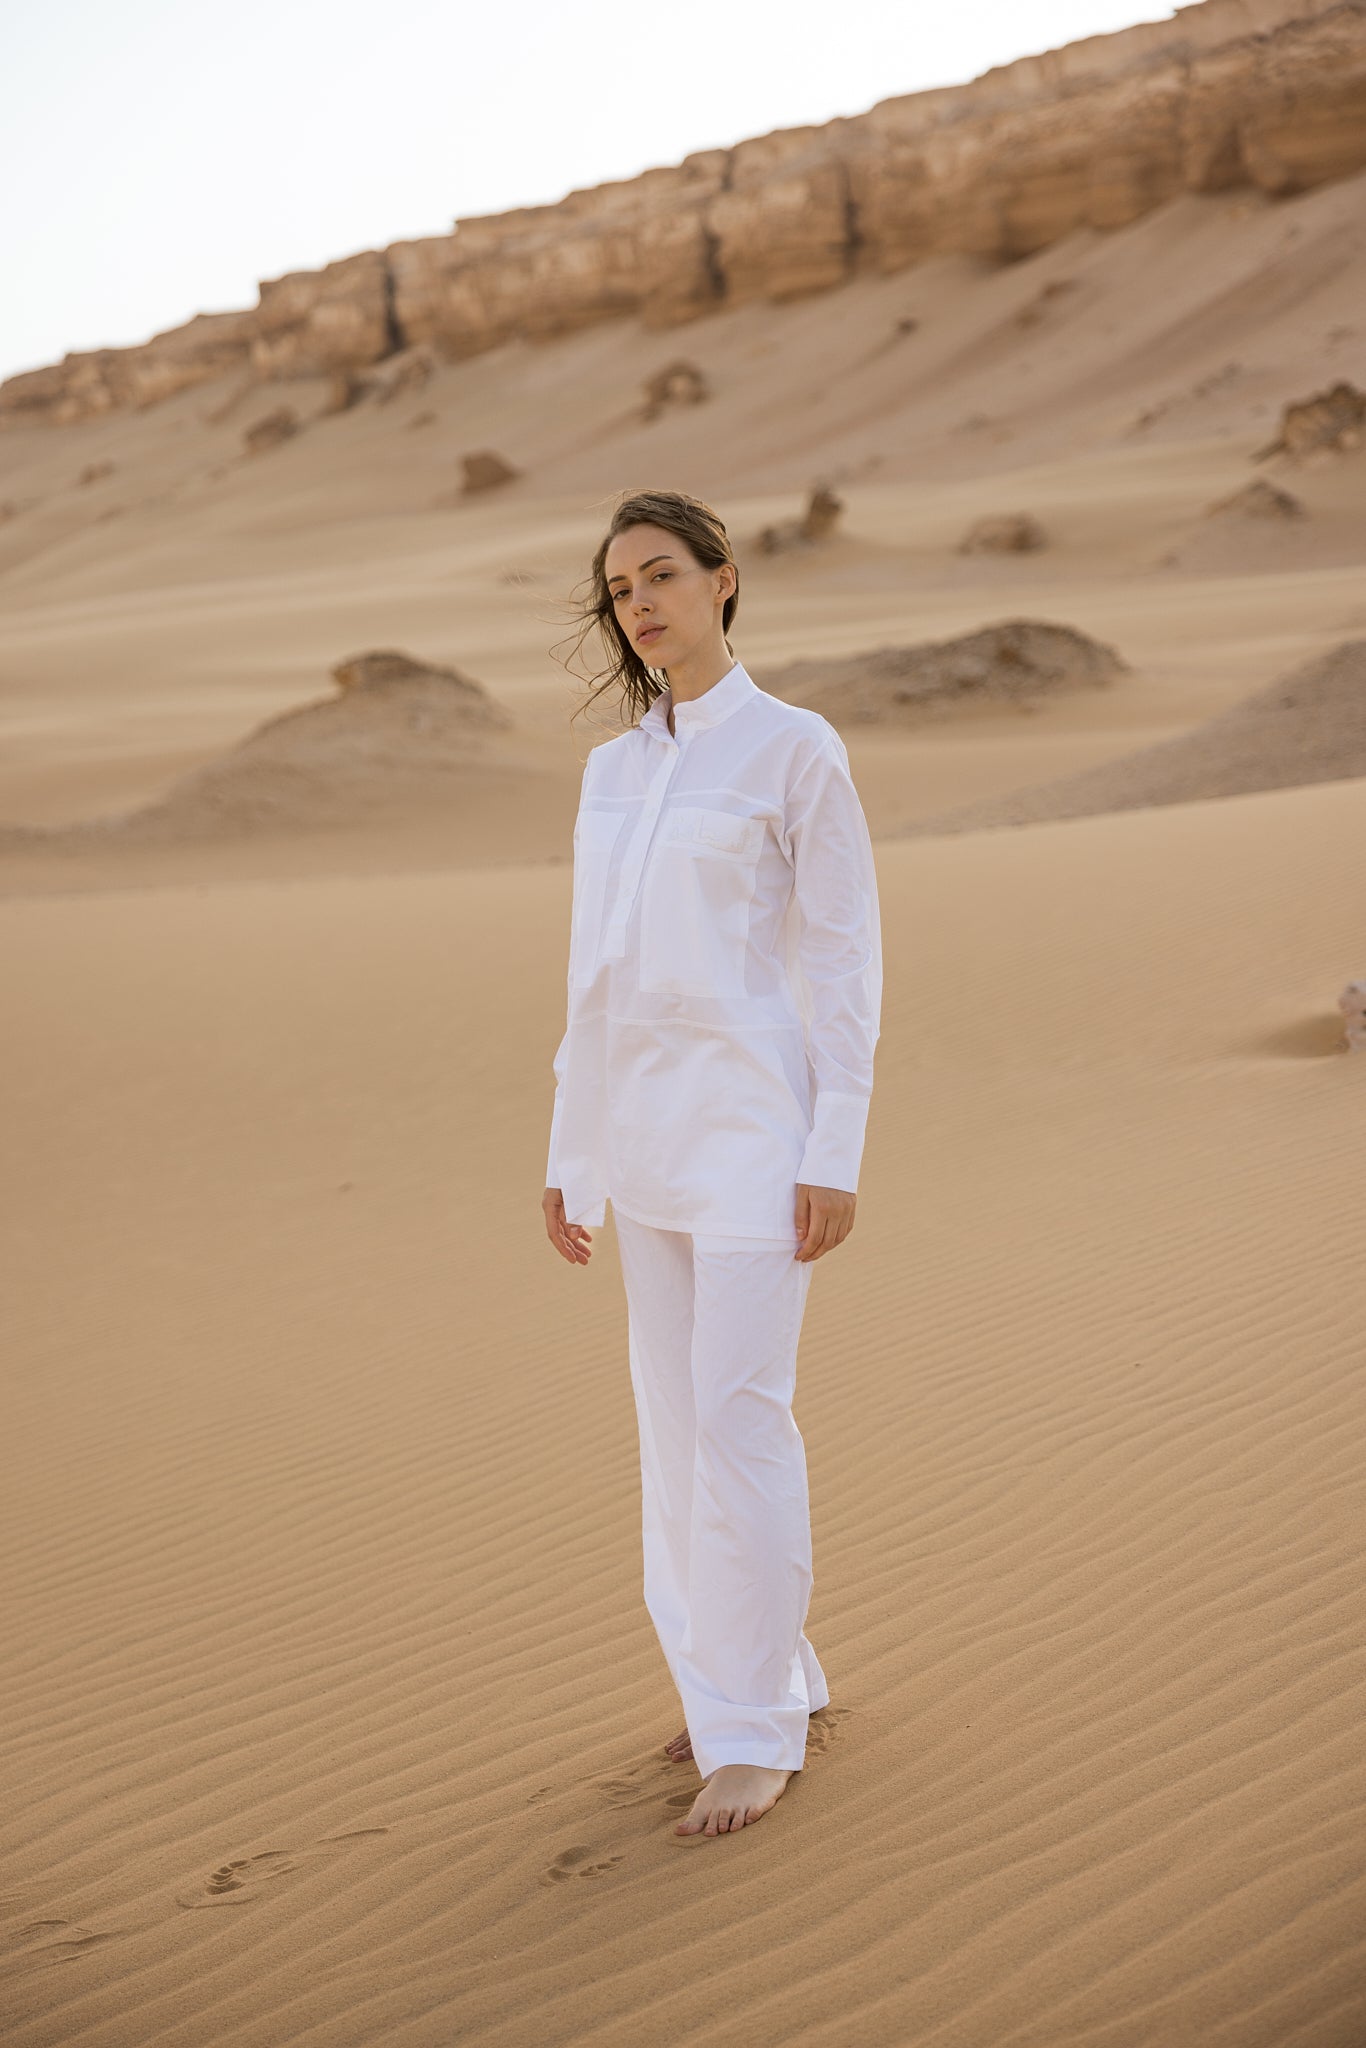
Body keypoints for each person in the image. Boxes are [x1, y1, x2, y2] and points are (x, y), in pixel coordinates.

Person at [542, 487, 882, 1838]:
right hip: (642, 1142)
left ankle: (754, 1729)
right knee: (676, 1438)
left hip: (754, 1134)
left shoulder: (795, 748)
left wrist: (835, 1148)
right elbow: (592, 980)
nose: (640, 602)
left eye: (663, 574)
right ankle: (740, 1676)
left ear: (723, 580)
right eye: (620, 586)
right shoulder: (610, 772)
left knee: (739, 1421)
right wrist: (572, 1151)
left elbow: (843, 957)